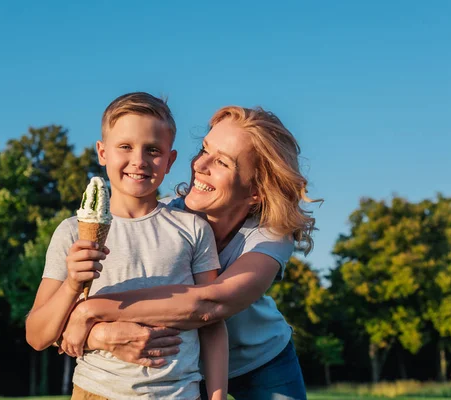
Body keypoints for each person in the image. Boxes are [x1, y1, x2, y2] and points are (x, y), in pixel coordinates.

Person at [59, 105, 318, 400]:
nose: (199, 165)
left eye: (222, 162)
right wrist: (98, 334)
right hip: (185, 369)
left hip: (262, 363)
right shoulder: (164, 217)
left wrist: (92, 310)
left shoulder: (270, 236)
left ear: (255, 190)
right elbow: (62, 314)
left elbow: (210, 305)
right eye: (204, 149)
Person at [25, 92, 228, 400]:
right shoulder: (71, 233)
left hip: (178, 394)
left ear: (170, 160)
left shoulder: (194, 229)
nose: (139, 161)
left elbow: (212, 323)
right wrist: (71, 284)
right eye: (125, 147)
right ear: (102, 152)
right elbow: (37, 336)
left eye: (153, 150)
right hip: (97, 392)